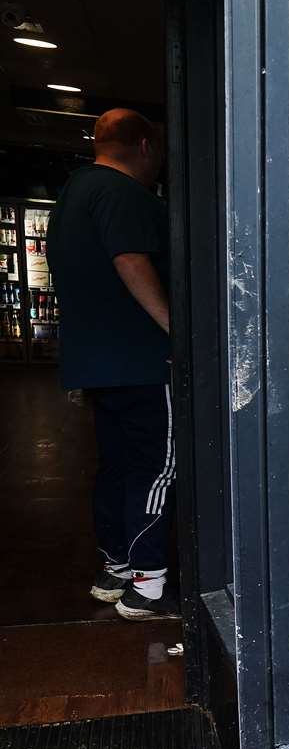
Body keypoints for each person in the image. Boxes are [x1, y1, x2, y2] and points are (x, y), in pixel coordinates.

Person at [47, 108, 174, 620]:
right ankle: (147, 585)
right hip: (143, 361)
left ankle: (116, 567)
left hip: (96, 363)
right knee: (157, 468)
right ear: (145, 146)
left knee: (117, 467)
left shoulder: (73, 194)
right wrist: (176, 330)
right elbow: (130, 259)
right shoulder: (123, 194)